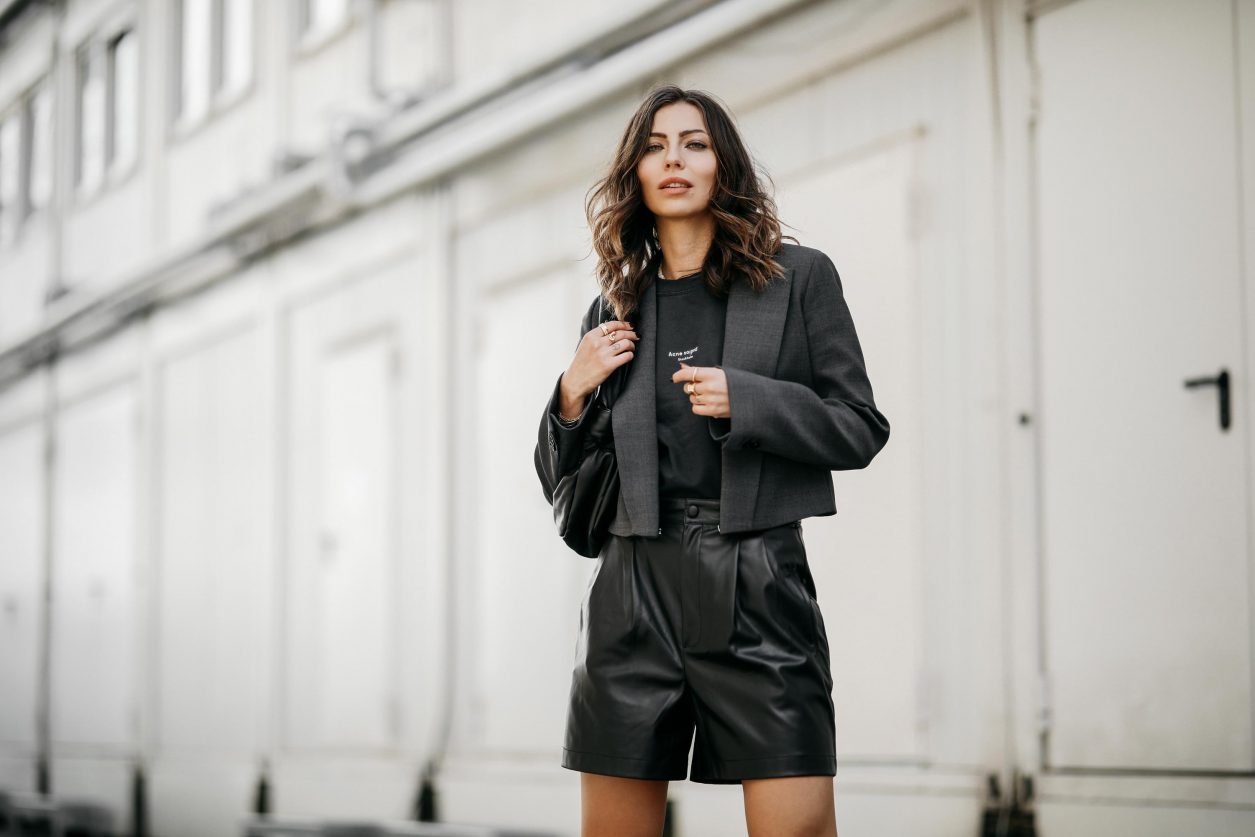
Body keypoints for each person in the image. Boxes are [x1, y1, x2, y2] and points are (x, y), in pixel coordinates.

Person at [534, 85, 890, 837]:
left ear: (721, 164)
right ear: (633, 172)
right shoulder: (612, 306)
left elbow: (859, 427)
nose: (673, 160)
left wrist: (747, 400)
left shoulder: (799, 279)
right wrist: (572, 387)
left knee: (795, 829)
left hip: (758, 583)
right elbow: (561, 482)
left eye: (693, 143)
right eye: (655, 146)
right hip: (632, 593)